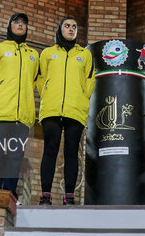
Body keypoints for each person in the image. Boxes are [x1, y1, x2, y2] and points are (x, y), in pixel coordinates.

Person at [37, 17, 95, 205]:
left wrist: (81, 98)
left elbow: (90, 81)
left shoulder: (84, 55)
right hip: (52, 109)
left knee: (71, 152)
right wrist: (47, 94)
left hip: (75, 110)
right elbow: (40, 79)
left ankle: (69, 196)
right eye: (67, 26)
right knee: (50, 150)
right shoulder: (47, 53)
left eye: (74, 26)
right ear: (60, 29)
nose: (71, 29)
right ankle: (45, 194)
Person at [0, 13, 39, 198]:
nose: (20, 25)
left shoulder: (33, 55)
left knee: (15, 158)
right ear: (9, 26)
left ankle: (9, 194)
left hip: (22, 115)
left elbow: (32, 82)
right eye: (16, 22)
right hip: (1, 112)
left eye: (24, 22)